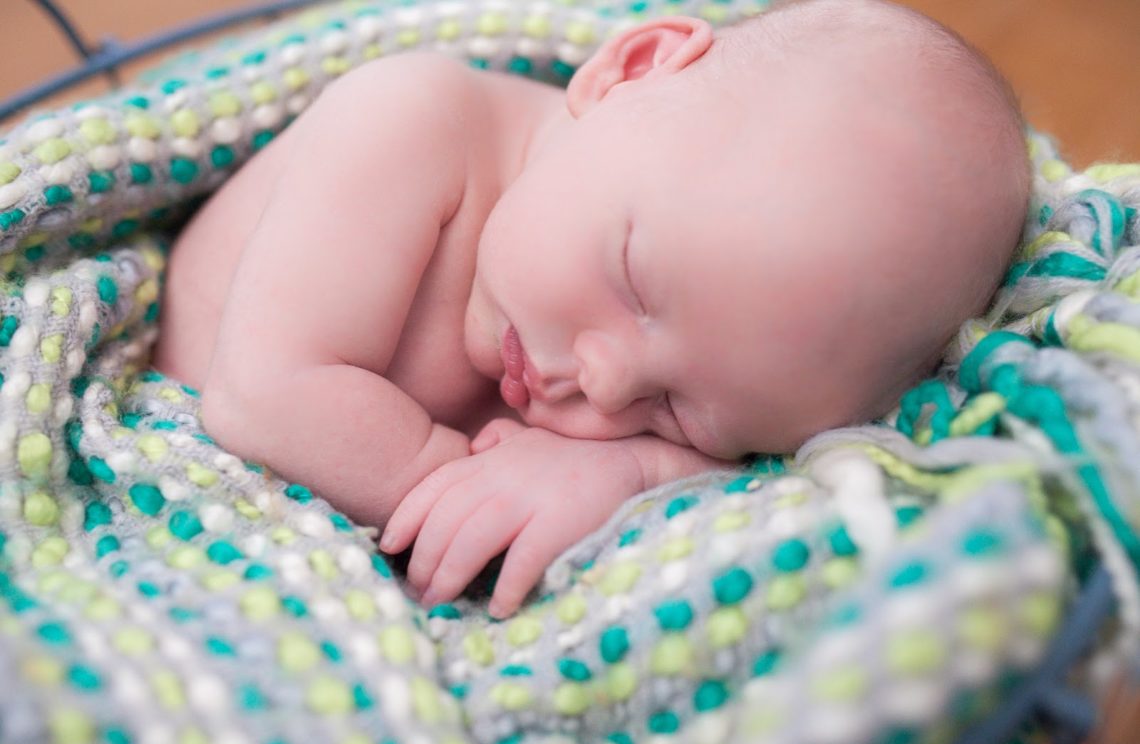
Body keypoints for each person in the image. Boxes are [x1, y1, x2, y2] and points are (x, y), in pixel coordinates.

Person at [152, 0, 1030, 618]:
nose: (606, 386)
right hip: (189, 436)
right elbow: (267, 394)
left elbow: (760, 489)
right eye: (635, 283)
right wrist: (461, 493)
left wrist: (629, 476)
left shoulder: (664, 348)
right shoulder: (413, 123)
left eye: (680, 412)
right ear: (630, 70)